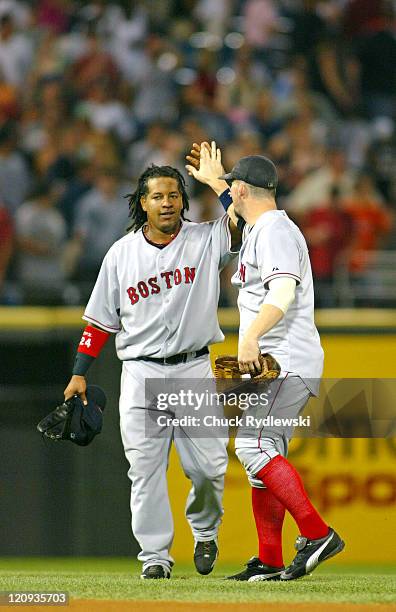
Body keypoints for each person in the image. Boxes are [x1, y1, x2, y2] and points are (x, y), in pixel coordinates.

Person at [63, 157, 242, 579]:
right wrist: (79, 370)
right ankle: (155, 558)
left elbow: (242, 217)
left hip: (193, 369)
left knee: (209, 468)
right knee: (144, 470)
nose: (166, 202)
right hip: (141, 374)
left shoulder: (206, 239)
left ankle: (205, 531)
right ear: (143, 203)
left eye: (174, 195)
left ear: (183, 202)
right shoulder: (121, 254)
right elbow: (99, 322)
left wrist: (218, 183)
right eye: (158, 196)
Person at [187, 146, 344, 581]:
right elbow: (237, 211)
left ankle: (317, 534)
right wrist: (219, 182)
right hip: (278, 360)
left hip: (283, 358)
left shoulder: (274, 231)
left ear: (242, 189)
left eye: (232, 189)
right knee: (265, 458)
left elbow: (282, 293)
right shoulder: (262, 223)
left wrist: (251, 337)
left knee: (253, 448)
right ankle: (271, 559)